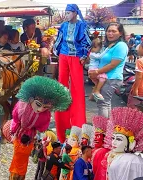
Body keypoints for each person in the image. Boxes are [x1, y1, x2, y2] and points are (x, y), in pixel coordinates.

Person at [5, 76, 72, 179]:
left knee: (23, 164)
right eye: (38, 105)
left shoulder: (45, 116)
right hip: (19, 137)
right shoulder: (23, 107)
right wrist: (14, 132)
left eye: (45, 107)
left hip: (29, 140)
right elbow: (16, 118)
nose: (40, 109)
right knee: (18, 162)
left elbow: (41, 128)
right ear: (31, 100)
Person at [53, 4, 92, 143]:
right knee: (62, 87)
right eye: (66, 12)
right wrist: (55, 51)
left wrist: (83, 55)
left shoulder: (82, 26)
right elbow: (59, 39)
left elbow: (87, 41)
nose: (67, 15)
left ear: (75, 13)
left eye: (69, 12)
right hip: (63, 56)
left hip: (76, 57)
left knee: (77, 89)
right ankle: (61, 125)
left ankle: (78, 124)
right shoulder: (63, 25)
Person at [89, 22, 128, 118]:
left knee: (103, 104)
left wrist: (97, 72)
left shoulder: (121, 46)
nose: (110, 33)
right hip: (106, 77)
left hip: (111, 78)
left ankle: (102, 130)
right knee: (105, 103)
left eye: (114, 31)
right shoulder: (111, 45)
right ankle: (107, 128)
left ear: (120, 33)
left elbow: (113, 65)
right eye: (109, 31)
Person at [128, 42, 143, 109]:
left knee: (136, 112)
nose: (137, 50)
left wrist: (135, 90)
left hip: (140, 90)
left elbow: (139, 77)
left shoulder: (140, 61)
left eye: (139, 47)